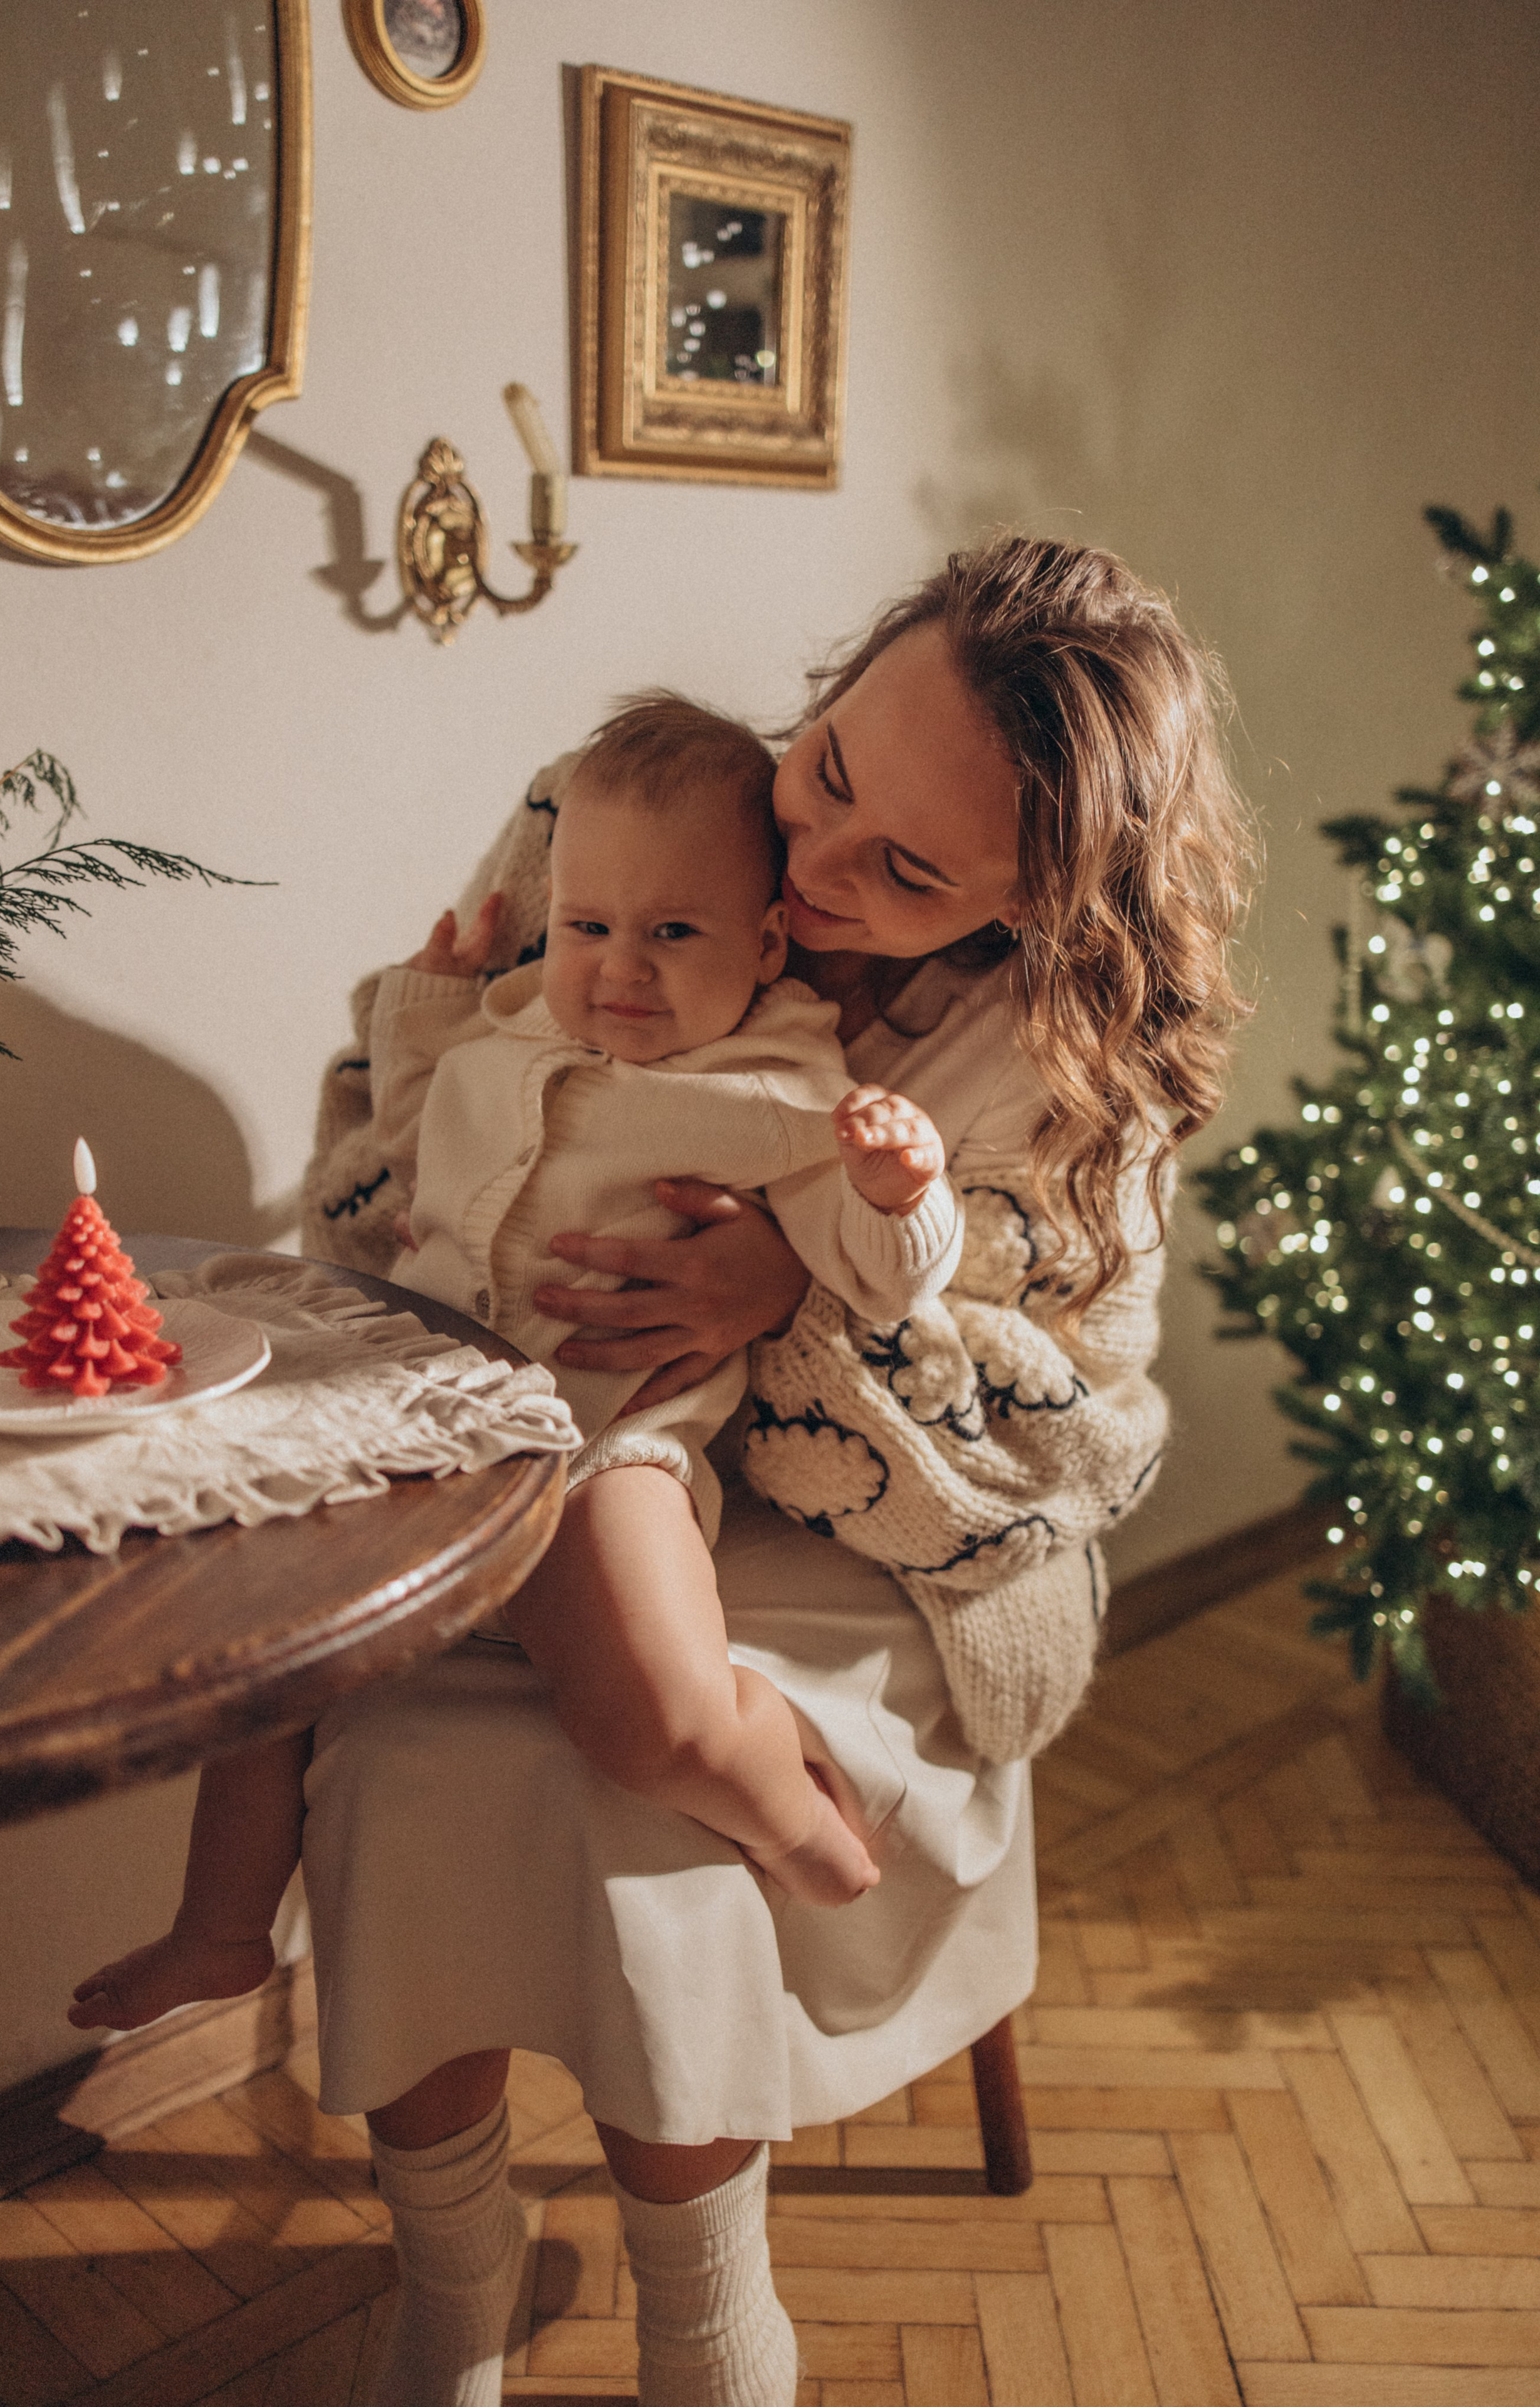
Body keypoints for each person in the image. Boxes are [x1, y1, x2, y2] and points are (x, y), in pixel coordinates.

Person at [295, 533, 1250, 2407]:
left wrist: (798, 1283)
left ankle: (710, 2303)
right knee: (386, 1733)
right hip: (555, 1421)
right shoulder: (635, 806)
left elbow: (1062, 1428)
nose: (808, 876)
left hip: (876, 1540)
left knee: (652, 1802)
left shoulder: (1074, 1069)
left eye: (905, 872)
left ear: (1039, 910)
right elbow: (399, 1154)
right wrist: (430, 1044)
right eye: (826, 774)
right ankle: (451, 2256)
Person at [66, 699, 963, 2035]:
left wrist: (900, 1188)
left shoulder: (779, 1089)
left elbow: (880, 1275)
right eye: (590, 927)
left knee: (643, 1712)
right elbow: (411, 1143)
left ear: (766, 941)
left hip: (609, 1438)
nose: (619, 970)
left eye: (674, 934)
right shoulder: (509, 1030)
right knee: (264, 1647)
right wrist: (430, 1004)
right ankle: (219, 1930)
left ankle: (794, 1815)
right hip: (423, 1405)